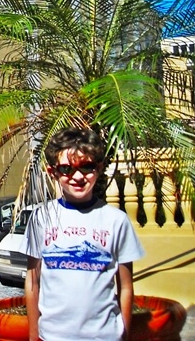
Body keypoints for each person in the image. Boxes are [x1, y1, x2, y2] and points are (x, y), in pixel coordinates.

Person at [23, 128, 145, 341]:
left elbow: (125, 286)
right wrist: (34, 335)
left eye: (86, 166)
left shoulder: (116, 221)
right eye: (66, 168)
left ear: (98, 169)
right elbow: (33, 283)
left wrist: (123, 334)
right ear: (53, 172)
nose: (78, 176)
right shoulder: (41, 218)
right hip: (52, 336)